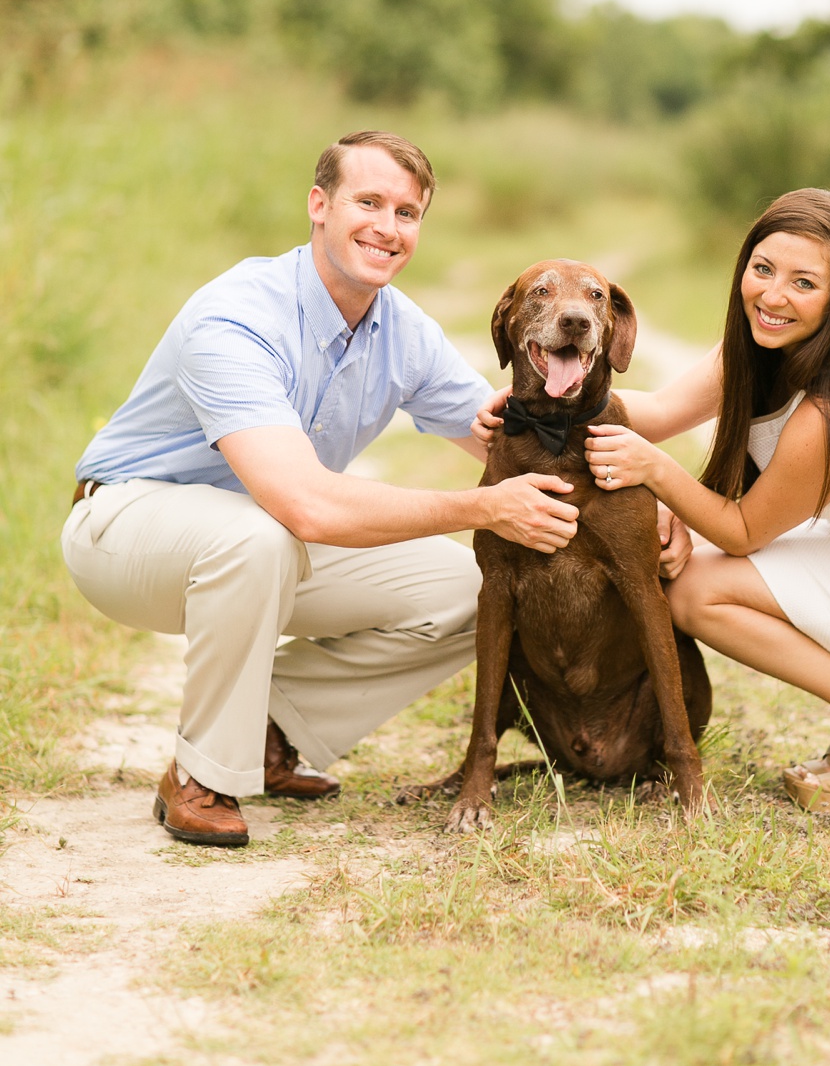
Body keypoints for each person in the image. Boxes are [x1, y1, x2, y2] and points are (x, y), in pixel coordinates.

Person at [62, 130, 579, 849]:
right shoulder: (239, 314)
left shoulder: (400, 327)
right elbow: (302, 503)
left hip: (266, 540)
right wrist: (482, 506)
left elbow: (511, 431)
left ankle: (269, 732)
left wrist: (651, 487)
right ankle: (203, 773)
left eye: (407, 212)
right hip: (127, 529)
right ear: (318, 205)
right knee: (261, 532)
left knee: (473, 588)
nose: (387, 227)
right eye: (368, 201)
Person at [480, 187, 830, 824]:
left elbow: (741, 531)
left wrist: (658, 474)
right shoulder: (761, 346)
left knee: (695, 589)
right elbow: (658, 413)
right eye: (763, 270)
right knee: (686, 557)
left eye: (804, 282)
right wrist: (520, 400)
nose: (773, 295)